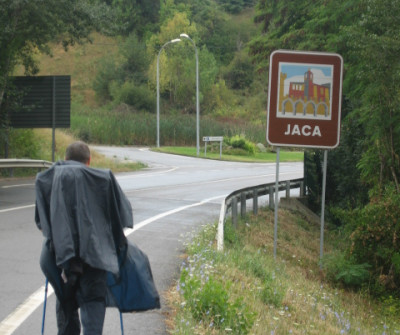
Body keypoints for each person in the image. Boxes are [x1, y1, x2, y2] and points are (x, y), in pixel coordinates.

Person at [35, 141, 134, 335]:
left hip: (61, 258)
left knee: (65, 304)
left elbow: (41, 222)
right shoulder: (103, 179)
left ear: (65, 159)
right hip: (95, 258)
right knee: (93, 305)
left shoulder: (48, 178)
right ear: (89, 161)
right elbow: (122, 217)